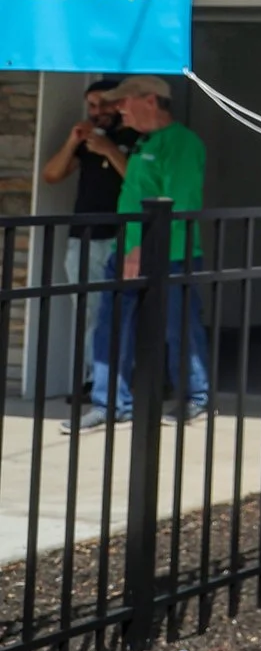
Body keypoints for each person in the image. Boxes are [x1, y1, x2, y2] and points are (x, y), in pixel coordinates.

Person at [64, 74, 210, 429]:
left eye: (123, 102)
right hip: (126, 250)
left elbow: (178, 204)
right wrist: (129, 248)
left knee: (178, 326)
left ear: (150, 100)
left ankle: (196, 397)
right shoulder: (144, 141)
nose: (118, 110)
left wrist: (140, 250)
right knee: (110, 325)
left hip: (171, 253)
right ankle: (110, 403)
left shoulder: (182, 144)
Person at [40, 80, 138, 417]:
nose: (97, 113)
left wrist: (110, 150)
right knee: (90, 311)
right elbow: (51, 175)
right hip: (82, 237)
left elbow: (140, 183)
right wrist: (74, 140)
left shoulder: (136, 138)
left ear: (120, 103)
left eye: (103, 105)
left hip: (121, 237)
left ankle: (119, 379)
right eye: (92, 106)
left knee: (120, 310)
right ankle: (95, 378)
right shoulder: (88, 141)